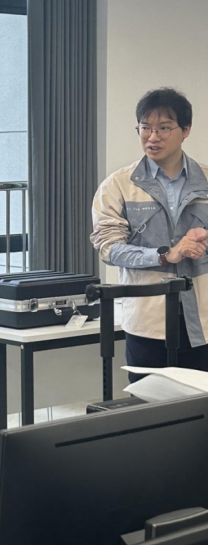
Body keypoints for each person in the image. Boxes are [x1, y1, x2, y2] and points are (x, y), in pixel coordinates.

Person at [92, 87, 208, 374]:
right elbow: (108, 248)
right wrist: (165, 255)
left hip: (204, 321)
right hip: (148, 321)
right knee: (148, 399)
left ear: (186, 130)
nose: (153, 137)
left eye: (164, 128)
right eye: (145, 128)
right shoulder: (118, 185)